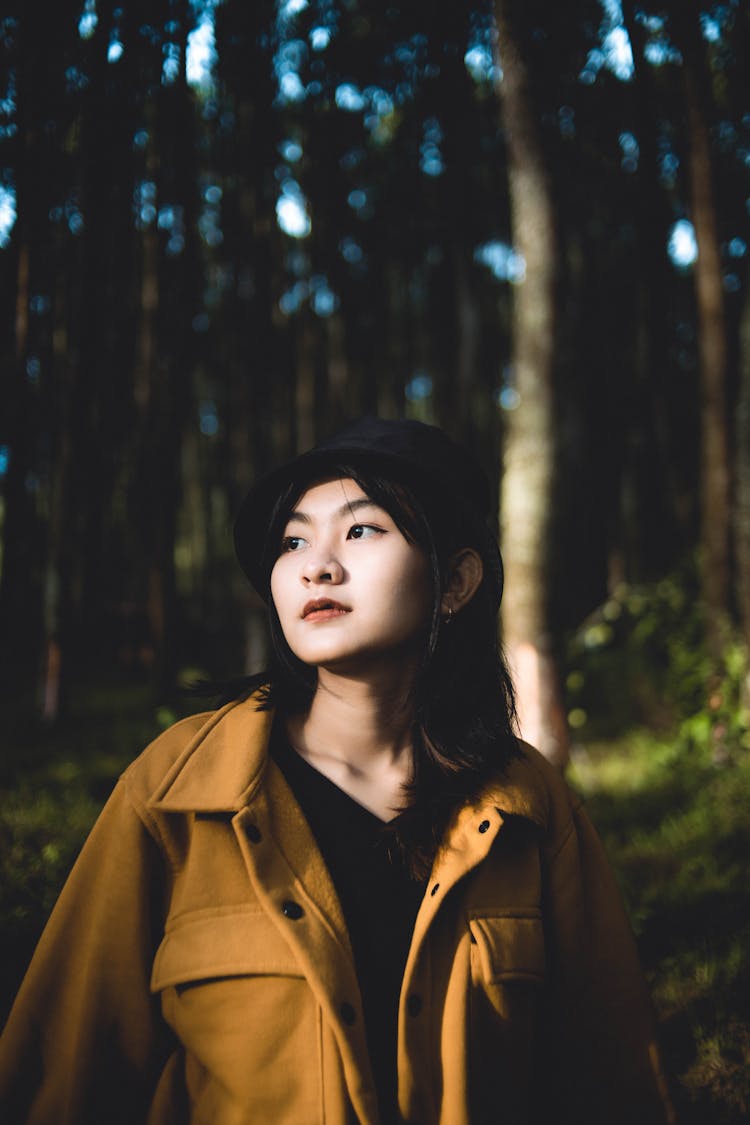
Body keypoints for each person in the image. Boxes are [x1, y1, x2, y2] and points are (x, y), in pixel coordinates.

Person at [0, 417, 672, 1124]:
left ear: (457, 581)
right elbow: (63, 1068)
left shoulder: (528, 809)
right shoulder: (179, 786)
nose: (317, 565)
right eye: (294, 541)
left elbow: (613, 1076)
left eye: (361, 531)